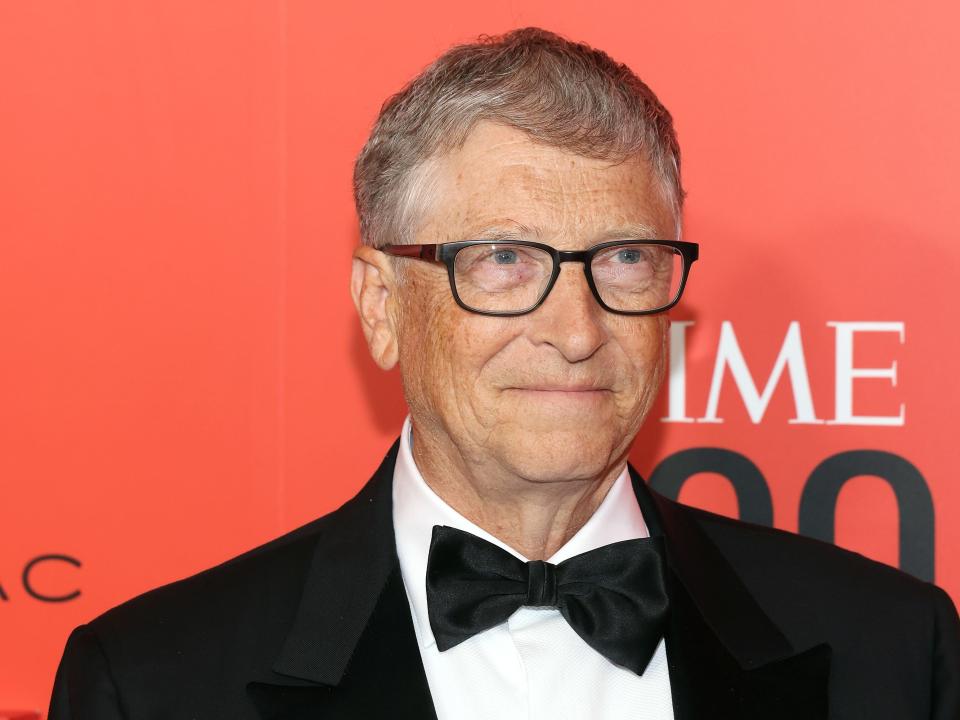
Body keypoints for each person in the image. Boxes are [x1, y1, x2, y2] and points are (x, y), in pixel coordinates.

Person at [49, 27, 959, 720]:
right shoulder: (154, 683)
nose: (576, 331)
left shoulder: (892, 651)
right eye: (504, 261)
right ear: (382, 306)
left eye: (626, 259)